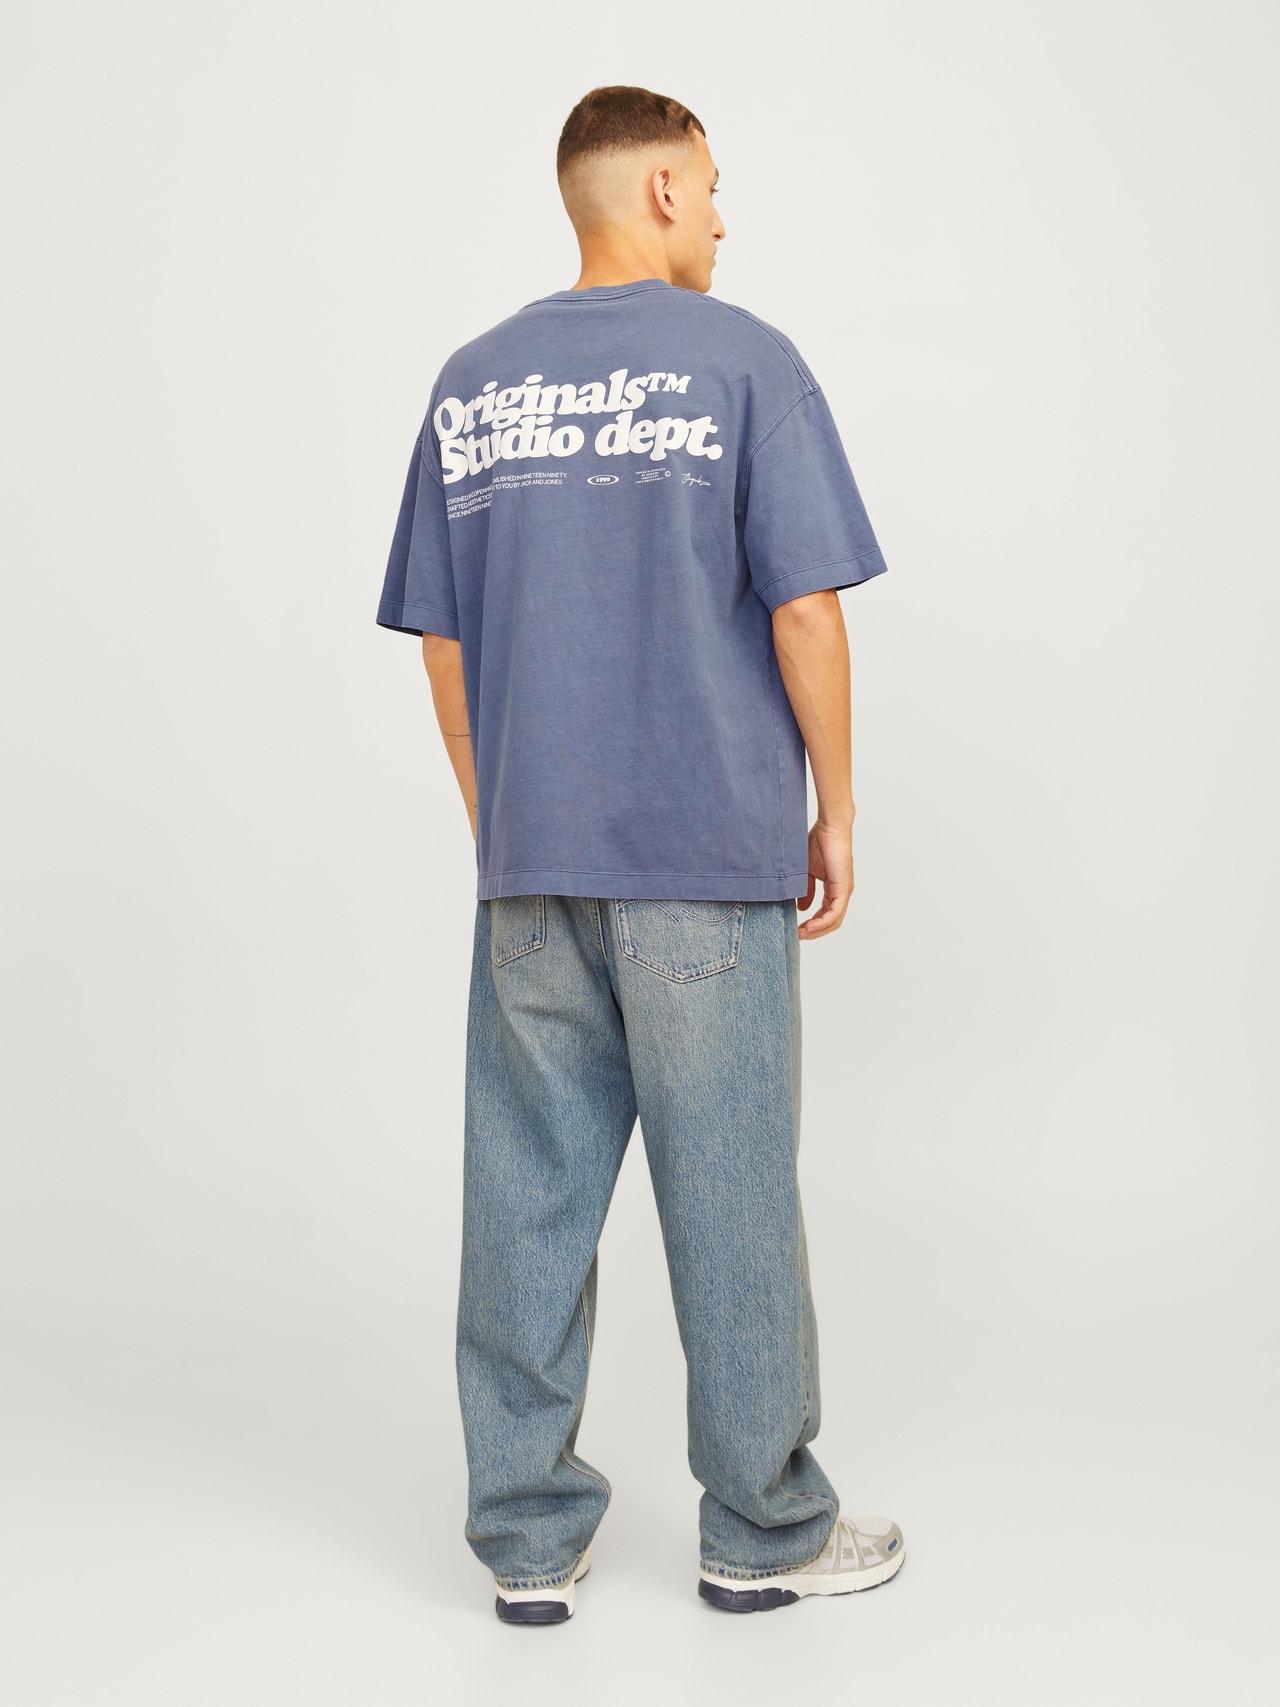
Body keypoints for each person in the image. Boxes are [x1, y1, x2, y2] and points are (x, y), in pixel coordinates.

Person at [375, 84, 905, 1625]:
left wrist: (501, 817)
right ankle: (763, 1530)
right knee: (729, 1199)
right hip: (704, 860)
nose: (726, 217)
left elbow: (444, 646)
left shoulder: (473, 386)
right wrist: (838, 809)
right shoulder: (746, 364)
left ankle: (527, 1547)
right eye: (715, 187)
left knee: (524, 1203)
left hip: (532, 867)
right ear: (662, 188)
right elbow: (806, 610)